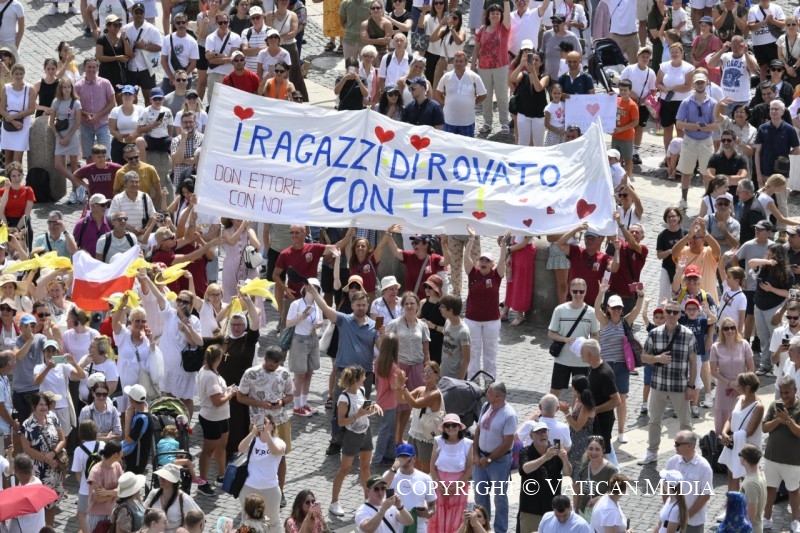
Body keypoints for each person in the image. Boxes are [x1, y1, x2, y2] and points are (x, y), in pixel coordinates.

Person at [638, 300, 698, 465]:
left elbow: (694, 362)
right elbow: (643, 357)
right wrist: (657, 358)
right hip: (658, 385)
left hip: (680, 386)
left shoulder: (688, 335)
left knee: (685, 422)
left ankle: (688, 453)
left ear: (680, 314)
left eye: (675, 312)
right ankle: (652, 452)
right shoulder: (654, 333)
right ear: (664, 313)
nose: (671, 315)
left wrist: (691, 386)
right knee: (654, 421)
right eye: (669, 311)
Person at [236, 346, 293, 507]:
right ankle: (253, 492)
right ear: (265, 360)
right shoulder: (251, 373)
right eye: (270, 364)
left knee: (281, 457)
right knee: (254, 457)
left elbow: (290, 395)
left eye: (276, 364)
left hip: (280, 421)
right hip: (258, 423)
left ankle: (279, 492)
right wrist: (260, 403)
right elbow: (240, 397)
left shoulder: (284, 373)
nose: (273, 367)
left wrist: (282, 402)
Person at [463, 227, 507, 381]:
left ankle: (490, 381)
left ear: (491, 264)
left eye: (487, 260)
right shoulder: (472, 273)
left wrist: (503, 245)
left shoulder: (496, 275)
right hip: (472, 320)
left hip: (492, 321)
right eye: (482, 259)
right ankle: (473, 380)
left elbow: (502, 260)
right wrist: (471, 240)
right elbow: (466, 256)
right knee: (473, 351)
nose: (483, 262)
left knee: (490, 352)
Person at [472, 382, 516, 533]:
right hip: (481, 458)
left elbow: (507, 443)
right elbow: (478, 430)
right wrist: (476, 454)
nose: (486, 393)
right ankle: (482, 527)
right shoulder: (486, 407)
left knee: (499, 497)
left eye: (489, 391)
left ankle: (500, 530)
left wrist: (489, 459)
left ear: (498, 396)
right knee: (480, 495)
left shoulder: (509, 414)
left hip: (499, 462)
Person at [19, 392, 66, 526]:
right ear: (34, 406)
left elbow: (62, 440)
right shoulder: (27, 425)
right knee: (38, 506)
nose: (44, 407)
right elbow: (27, 449)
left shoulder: (53, 418)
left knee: (51, 504)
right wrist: (47, 459)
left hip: (54, 470)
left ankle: (49, 529)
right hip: (37, 471)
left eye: (46, 404)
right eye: (40, 404)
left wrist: (53, 452)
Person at [547, 278, 599, 397]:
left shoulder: (591, 312)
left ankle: (575, 416)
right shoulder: (560, 310)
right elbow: (551, 333)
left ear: (585, 292)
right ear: (570, 291)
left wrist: (588, 345)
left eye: (581, 292)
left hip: (582, 362)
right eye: (575, 291)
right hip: (562, 360)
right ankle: (548, 414)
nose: (578, 295)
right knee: (554, 393)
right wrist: (564, 339)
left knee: (580, 396)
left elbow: (595, 335)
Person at [762, 375, 800, 531]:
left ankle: (795, 521)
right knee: (770, 489)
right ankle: (766, 517)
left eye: (787, 393)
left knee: (793, 490)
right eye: (781, 392)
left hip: (793, 459)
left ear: (795, 390)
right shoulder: (774, 405)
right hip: (772, 457)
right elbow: (765, 428)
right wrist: (779, 419)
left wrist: (788, 419)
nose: (784, 396)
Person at [518, 420, 572, 530]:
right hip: (530, 509)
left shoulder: (555, 451)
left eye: (544, 432)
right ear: (531, 436)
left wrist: (565, 460)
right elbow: (525, 469)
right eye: (538, 432)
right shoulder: (526, 451)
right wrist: (545, 457)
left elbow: (568, 473)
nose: (542, 435)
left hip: (552, 510)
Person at [196, 344, 234, 492]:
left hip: (222, 417)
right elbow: (217, 401)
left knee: (221, 447)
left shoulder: (208, 370)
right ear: (217, 358)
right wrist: (230, 394)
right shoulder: (210, 376)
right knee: (208, 451)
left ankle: (221, 475)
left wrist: (226, 390)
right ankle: (202, 482)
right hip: (212, 418)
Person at [237, 413, 285, 528]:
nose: (262, 424)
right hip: (249, 486)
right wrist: (253, 433)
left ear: (272, 426)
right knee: (247, 520)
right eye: (260, 422)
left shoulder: (279, 442)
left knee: (273, 522)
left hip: (270, 487)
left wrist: (267, 435)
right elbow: (241, 448)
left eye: (266, 422)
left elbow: (275, 451)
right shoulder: (253, 440)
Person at [394, 361, 443, 473]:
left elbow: (415, 403)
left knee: (426, 470)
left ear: (437, 375)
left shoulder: (435, 394)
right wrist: (398, 385)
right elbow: (401, 399)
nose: (426, 374)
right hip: (414, 434)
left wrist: (403, 386)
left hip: (426, 437)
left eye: (429, 371)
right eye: (424, 371)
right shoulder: (420, 389)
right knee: (413, 467)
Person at [429, 413, 472, 532]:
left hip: (459, 486)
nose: (451, 428)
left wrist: (454, 488)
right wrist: (440, 486)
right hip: (440, 484)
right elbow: (432, 467)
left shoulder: (468, 444)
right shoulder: (438, 441)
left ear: (459, 427)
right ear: (444, 428)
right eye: (447, 425)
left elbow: (469, 469)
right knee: (439, 514)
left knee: (457, 515)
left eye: (454, 425)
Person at [472, 1, 511, 135]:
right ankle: (487, 121)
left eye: (497, 13)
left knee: (501, 95)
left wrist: (506, 2)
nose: (495, 16)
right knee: (485, 95)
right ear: (488, 15)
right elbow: (476, 47)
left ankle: (504, 122)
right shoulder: (482, 29)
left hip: (501, 65)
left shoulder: (504, 28)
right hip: (483, 66)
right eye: (492, 13)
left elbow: (507, 16)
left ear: (501, 16)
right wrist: (472, 65)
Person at [664, 430, 715, 532]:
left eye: (677, 444)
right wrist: (668, 510)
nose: (675, 446)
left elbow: (705, 495)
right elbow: (665, 487)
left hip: (693, 522)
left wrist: (686, 517)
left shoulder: (704, 467)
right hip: (672, 519)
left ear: (689, 446)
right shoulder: (672, 461)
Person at [711, 320, 757, 433]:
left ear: (736, 329)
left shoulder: (744, 344)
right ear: (721, 331)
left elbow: (751, 368)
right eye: (726, 328)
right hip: (723, 388)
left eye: (732, 328)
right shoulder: (715, 347)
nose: (730, 331)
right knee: (723, 420)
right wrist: (729, 383)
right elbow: (713, 371)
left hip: (743, 387)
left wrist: (740, 384)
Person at [383, 443, 437, 532]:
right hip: (394, 527)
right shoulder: (390, 475)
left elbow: (432, 504)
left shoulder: (425, 478)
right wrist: (394, 468)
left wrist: (428, 513)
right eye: (402, 460)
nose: (405, 463)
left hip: (417, 527)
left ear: (414, 459)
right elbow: (381, 487)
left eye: (408, 459)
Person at [435, 50, 486, 137]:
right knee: (449, 147)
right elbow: (438, 93)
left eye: (461, 61)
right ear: (453, 62)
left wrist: (473, 103)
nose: (458, 64)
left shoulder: (474, 77)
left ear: (466, 63)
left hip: (467, 121)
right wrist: (446, 104)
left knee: (466, 148)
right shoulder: (446, 77)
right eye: (456, 61)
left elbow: (483, 94)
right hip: (449, 121)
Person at [122, 3, 162, 105]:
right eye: (136, 12)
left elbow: (159, 46)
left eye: (141, 12)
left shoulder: (152, 29)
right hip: (131, 68)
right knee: (131, 99)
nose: (139, 14)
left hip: (146, 68)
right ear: (132, 13)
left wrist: (144, 47)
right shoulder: (126, 28)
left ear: (144, 13)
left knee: (148, 98)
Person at [755, 100, 800, 189]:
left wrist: (786, 153)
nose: (773, 111)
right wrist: (758, 174)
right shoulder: (762, 128)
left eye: (776, 109)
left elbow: (797, 150)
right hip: (765, 172)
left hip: (782, 173)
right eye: (771, 109)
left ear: (782, 112)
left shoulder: (789, 129)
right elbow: (757, 152)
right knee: (764, 201)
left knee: (781, 202)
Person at [144, 463, 200, 533]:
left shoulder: (183, 498)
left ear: (173, 481)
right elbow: (144, 513)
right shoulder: (154, 493)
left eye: (165, 477)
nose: (161, 480)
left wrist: (184, 529)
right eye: (160, 476)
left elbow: (199, 518)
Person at [572, 435, 617, 519]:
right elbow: (578, 490)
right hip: (583, 513)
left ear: (603, 451)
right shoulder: (584, 466)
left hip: (602, 515)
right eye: (591, 449)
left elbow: (616, 493)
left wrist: (599, 499)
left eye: (597, 449)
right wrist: (576, 508)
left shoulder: (610, 470)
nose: (593, 453)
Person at [0, 63, 35, 163]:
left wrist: (14, 116)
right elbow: (1, 109)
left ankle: (17, 178)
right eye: (16, 74)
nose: (19, 76)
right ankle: (8, 179)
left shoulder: (30, 88)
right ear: (12, 74)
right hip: (8, 125)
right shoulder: (6, 88)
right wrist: (12, 120)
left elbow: (32, 109)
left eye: (21, 74)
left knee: (17, 159)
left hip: (23, 126)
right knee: (8, 159)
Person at [87, 440, 124, 533]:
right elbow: (98, 499)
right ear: (116, 454)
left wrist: (107, 492)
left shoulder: (117, 466)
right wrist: (116, 492)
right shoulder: (96, 471)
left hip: (113, 513)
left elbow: (123, 489)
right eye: (121, 451)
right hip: (97, 515)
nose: (123, 453)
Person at [160, 13, 198, 94]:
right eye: (178, 23)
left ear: (187, 24)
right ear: (174, 25)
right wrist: (171, 77)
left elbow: (193, 63)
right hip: (168, 78)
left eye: (183, 22)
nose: (181, 25)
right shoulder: (167, 39)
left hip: (185, 79)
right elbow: (163, 60)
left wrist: (182, 77)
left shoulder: (193, 42)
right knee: (165, 102)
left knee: (184, 104)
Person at [121, 385, 153, 475]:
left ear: (131, 399)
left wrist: (128, 419)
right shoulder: (145, 411)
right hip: (139, 458)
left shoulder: (141, 420)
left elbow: (128, 440)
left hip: (136, 460)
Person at [78, 376, 122, 441]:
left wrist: (96, 437)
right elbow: (83, 436)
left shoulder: (113, 410)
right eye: (98, 394)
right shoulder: (85, 411)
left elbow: (118, 433)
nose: (101, 397)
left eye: (104, 394)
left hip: (108, 448)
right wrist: (106, 438)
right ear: (93, 393)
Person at [439, 295, 470, 379]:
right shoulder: (447, 322)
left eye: (442, 306)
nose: (439, 308)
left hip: (455, 377)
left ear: (450, 310)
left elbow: (466, 358)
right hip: (444, 374)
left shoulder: (463, 332)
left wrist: (460, 380)